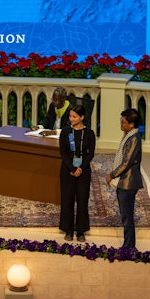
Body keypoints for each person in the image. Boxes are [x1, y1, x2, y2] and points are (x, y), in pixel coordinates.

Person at [104, 108, 143, 249]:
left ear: (131, 124)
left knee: (127, 216)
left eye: (123, 122)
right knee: (125, 215)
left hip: (128, 182)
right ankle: (128, 244)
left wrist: (112, 175)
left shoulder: (134, 139)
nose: (121, 124)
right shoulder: (129, 136)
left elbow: (126, 162)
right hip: (124, 181)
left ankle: (129, 246)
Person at [58, 103, 95, 242]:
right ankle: (68, 229)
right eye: (70, 116)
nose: (71, 119)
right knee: (67, 199)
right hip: (67, 169)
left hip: (84, 171)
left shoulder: (90, 133)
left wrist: (80, 168)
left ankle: (80, 231)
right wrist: (73, 169)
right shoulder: (65, 132)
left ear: (82, 117)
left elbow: (90, 154)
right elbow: (63, 152)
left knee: (82, 200)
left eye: (74, 116)